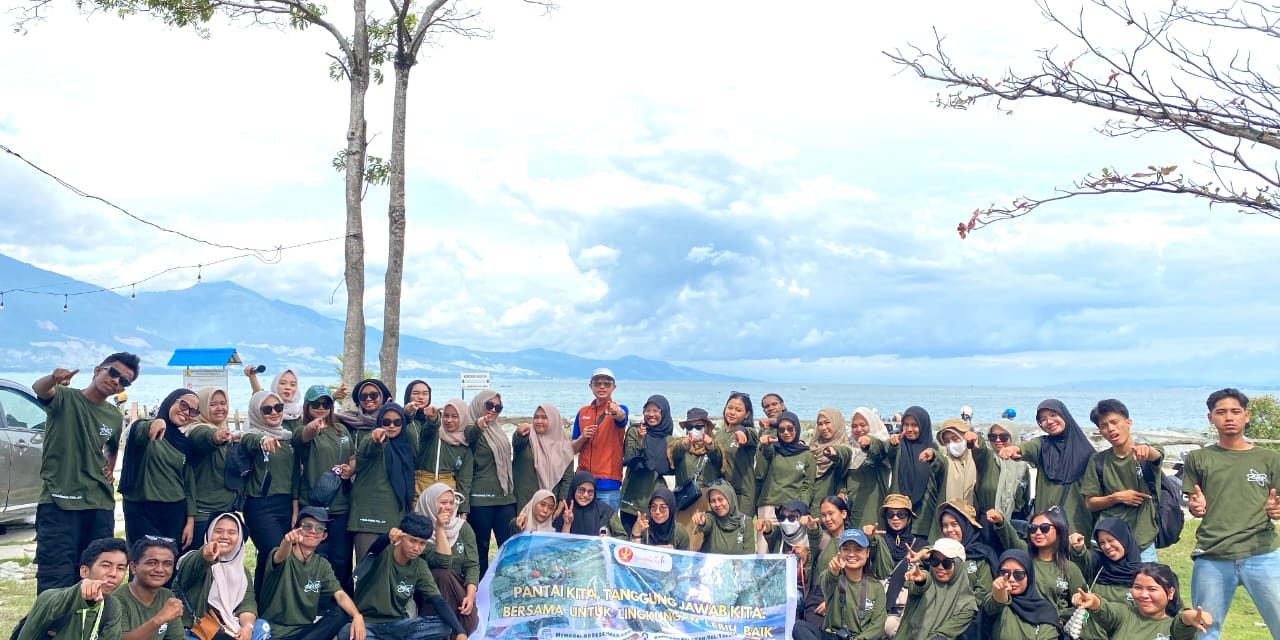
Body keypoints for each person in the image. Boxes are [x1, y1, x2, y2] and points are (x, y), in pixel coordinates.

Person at [31, 353, 138, 591]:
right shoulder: (65, 397)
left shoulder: (113, 415)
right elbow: (39, 389)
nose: (116, 381)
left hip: (99, 503)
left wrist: (109, 468)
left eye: (124, 381)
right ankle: (54, 618)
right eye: (113, 373)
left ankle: (90, 616)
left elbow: (112, 447)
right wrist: (53, 378)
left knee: (96, 576)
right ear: (98, 370)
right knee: (55, 576)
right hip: (60, 501)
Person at [1183, 387, 1280, 640]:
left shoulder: (1269, 459)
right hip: (1212, 555)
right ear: (1210, 418)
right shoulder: (1198, 458)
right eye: (1221, 412)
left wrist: (1276, 510)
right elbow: (1194, 501)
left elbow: (1277, 502)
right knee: (1206, 630)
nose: (1229, 417)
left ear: (1246, 416)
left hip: (1262, 553)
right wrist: (1195, 507)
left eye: (1235, 411)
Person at [344, 514, 468, 640]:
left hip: (399, 625)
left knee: (445, 626)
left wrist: (460, 632)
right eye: (412, 541)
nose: (416, 548)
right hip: (368, 624)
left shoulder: (420, 565)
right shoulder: (383, 552)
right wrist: (387, 537)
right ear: (401, 537)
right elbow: (374, 550)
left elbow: (437, 600)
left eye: (422, 543)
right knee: (347, 632)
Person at [257, 507, 366, 640]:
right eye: (307, 526)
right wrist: (287, 541)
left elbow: (340, 594)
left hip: (305, 633)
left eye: (319, 528)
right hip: (275, 632)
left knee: (341, 613)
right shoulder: (282, 555)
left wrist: (357, 615)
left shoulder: (322, 564)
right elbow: (280, 556)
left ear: (324, 536)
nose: (313, 531)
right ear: (296, 530)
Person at [1081, 398, 1162, 562]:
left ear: (1128, 422)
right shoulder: (1098, 461)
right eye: (1104, 426)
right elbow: (1090, 503)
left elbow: (1157, 456)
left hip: (1141, 539)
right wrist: (1116, 497)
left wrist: (1146, 450)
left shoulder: (1146, 453)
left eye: (1114, 422)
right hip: (1108, 542)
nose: (1111, 428)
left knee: (1146, 578)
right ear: (1100, 431)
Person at [998, 400, 1095, 535]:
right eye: (1042, 419)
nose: (1049, 421)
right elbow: (1027, 448)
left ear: (1064, 415)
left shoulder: (1088, 453)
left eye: (1053, 415)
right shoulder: (1043, 445)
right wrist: (1014, 449)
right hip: (1044, 526)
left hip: (1076, 526)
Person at [118, 388, 198, 551]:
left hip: (174, 510)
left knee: (169, 557)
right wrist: (155, 424)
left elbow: (188, 484)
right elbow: (140, 431)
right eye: (183, 405)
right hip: (141, 508)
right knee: (143, 557)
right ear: (170, 401)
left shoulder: (184, 443)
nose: (186, 412)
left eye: (193, 411)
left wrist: (190, 521)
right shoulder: (149, 430)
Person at [295, 385, 356, 590]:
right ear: (307, 406)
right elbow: (304, 435)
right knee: (313, 556)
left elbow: (353, 456)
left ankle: (341, 601)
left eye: (326, 403)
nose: (321, 407)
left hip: (341, 504)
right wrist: (313, 427)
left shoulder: (341, 429)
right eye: (316, 404)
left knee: (342, 560)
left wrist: (351, 469)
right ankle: (311, 599)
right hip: (315, 506)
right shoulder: (302, 429)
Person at [240, 389, 301, 590]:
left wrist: (295, 507)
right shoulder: (252, 435)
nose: (274, 412)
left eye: (278, 407)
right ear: (256, 413)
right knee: (276, 554)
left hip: (286, 504)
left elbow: (294, 474)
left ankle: (261, 600)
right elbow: (249, 441)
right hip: (260, 506)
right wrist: (262, 441)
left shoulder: (287, 436)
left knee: (268, 559)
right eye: (266, 409)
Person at [174, 511, 269, 640]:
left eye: (232, 532)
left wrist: (247, 627)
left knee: (262, 626)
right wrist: (206, 555)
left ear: (240, 538)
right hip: (196, 631)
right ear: (209, 534)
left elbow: (247, 604)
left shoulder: (242, 571)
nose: (224, 536)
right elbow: (194, 564)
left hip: (226, 629)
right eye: (218, 531)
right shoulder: (192, 559)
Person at [16, 537, 128, 640]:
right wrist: (83, 588)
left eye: (120, 568)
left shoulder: (112, 606)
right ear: (84, 571)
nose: (113, 574)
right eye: (106, 565)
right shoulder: (49, 599)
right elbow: (67, 599)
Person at [1070, 563, 1212, 640]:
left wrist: (1189, 616)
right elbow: (1104, 608)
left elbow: (1183, 623)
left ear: (1170, 593)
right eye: (1138, 587)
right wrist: (1093, 600)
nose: (1144, 595)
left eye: (1152, 589)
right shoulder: (1124, 614)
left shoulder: (1172, 627)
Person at [989, 507, 1084, 620]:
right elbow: (1011, 538)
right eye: (1033, 528)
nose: (1038, 533)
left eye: (1044, 528)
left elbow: (1085, 606)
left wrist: (1061, 616)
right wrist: (1000, 521)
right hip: (1020, 621)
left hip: (1054, 625)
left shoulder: (1070, 568)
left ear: (1059, 530)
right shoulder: (1024, 557)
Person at [348, 403, 417, 559]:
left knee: (390, 568)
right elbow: (368, 449)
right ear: (379, 422)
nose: (391, 426)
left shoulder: (405, 447)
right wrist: (375, 438)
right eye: (386, 422)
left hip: (395, 519)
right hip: (369, 519)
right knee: (367, 568)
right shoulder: (372, 441)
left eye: (397, 422)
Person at [792, 529, 887, 640]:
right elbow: (826, 580)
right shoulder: (833, 578)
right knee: (799, 627)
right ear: (839, 552)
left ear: (867, 553)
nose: (851, 554)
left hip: (860, 638)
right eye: (846, 549)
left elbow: (877, 627)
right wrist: (833, 572)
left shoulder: (876, 587)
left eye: (858, 549)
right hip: (834, 636)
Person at [415, 483, 480, 635]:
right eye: (443, 502)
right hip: (428, 591)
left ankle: (449, 629)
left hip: (458, 587)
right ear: (430, 503)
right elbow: (442, 561)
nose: (449, 507)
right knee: (442, 574)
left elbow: (472, 565)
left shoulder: (463, 528)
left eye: (451, 503)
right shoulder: (419, 529)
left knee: (469, 622)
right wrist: (439, 528)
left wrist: (470, 596)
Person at [464, 390, 516, 577]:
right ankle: (479, 589)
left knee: (508, 547)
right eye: (489, 405)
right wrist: (479, 427)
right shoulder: (470, 428)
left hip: (505, 497)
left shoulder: (497, 430)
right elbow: (469, 438)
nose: (493, 410)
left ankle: (505, 586)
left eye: (498, 407)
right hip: (481, 499)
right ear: (479, 405)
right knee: (480, 548)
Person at [1067, 517, 1143, 640]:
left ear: (1124, 539)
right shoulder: (1098, 565)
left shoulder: (1143, 575)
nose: (1107, 546)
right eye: (1102, 543)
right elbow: (1084, 558)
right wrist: (1078, 548)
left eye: (1111, 540)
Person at [184, 387, 241, 551]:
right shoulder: (195, 429)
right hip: (202, 516)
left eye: (223, 403)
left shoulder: (229, 434)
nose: (220, 408)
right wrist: (216, 437)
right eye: (213, 404)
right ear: (201, 407)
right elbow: (203, 437)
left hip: (226, 514)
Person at [862, 494, 922, 635]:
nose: (895, 518)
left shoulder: (920, 544)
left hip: (907, 610)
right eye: (890, 514)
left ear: (909, 517)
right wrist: (868, 539)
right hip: (878, 607)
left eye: (901, 514)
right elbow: (867, 552)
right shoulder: (878, 539)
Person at [571, 368, 630, 511]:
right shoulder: (583, 412)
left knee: (607, 524)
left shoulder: (619, 408)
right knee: (581, 523)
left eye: (607, 383)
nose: (602, 387)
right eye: (597, 383)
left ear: (613, 387)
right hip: (583, 481)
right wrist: (582, 437)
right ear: (590, 386)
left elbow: (621, 417)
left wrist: (616, 411)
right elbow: (572, 448)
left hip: (608, 483)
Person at [756, 411, 815, 552]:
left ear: (797, 429)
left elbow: (808, 486)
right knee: (764, 551)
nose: (786, 433)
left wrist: (802, 508)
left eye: (790, 429)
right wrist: (764, 446)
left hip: (793, 510)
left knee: (792, 553)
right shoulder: (772, 449)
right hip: (769, 506)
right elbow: (760, 472)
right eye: (781, 430)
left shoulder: (807, 455)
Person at [924, 419, 992, 539]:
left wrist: (976, 438)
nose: (951, 444)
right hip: (949, 528)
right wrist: (933, 455)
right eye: (947, 441)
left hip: (976, 524)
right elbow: (938, 462)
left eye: (955, 438)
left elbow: (981, 451)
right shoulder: (946, 462)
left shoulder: (978, 460)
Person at [897, 537, 977, 640]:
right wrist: (921, 580)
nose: (940, 567)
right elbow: (920, 585)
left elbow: (945, 633)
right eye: (935, 561)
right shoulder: (924, 580)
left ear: (958, 565)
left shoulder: (967, 604)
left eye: (946, 563)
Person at [668, 408, 725, 549]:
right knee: (683, 540)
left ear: (707, 427)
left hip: (707, 502)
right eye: (689, 427)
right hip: (685, 500)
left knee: (704, 541)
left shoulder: (716, 445)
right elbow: (674, 454)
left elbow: (719, 459)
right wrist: (683, 445)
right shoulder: (679, 444)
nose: (694, 430)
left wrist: (710, 446)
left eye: (699, 427)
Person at [619, 395, 675, 533]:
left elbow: (672, 467)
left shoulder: (669, 440)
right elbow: (630, 457)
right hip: (632, 497)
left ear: (664, 413)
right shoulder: (635, 431)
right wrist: (640, 440)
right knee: (630, 537)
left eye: (656, 411)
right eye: (647, 410)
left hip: (655, 499)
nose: (651, 414)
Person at [983, 550, 1064, 639]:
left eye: (1018, 574)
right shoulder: (997, 604)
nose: (1011, 579)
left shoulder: (1045, 610)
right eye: (1004, 573)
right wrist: (999, 592)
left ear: (1029, 576)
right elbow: (995, 603)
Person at [512, 403, 574, 520]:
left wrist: (560, 505)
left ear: (554, 420)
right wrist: (518, 432)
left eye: (544, 418)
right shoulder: (526, 437)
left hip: (548, 505)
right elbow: (516, 442)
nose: (539, 421)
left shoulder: (564, 447)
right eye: (536, 417)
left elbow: (567, 478)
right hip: (522, 502)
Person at [887, 406, 942, 537]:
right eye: (906, 425)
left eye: (914, 425)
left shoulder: (933, 448)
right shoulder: (898, 446)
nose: (909, 429)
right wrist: (892, 444)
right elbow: (882, 449)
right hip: (898, 513)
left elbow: (941, 468)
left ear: (924, 426)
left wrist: (933, 456)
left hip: (925, 515)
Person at [117, 536, 183, 640]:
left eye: (167, 564)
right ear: (133, 567)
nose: (160, 569)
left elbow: (176, 637)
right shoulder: (117, 599)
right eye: (152, 563)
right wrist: (159, 619)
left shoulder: (167, 596)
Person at [801, 496, 852, 626]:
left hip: (847, 594)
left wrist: (832, 601)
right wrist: (812, 526)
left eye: (831, 513)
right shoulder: (822, 539)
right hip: (818, 596)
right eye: (823, 515)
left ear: (843, 513)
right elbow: (814, 534)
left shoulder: (855, 541)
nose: (827, 519)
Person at [419, 399, 473, 505]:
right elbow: (430, 428)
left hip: (448, 496)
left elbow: (464, 481)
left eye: (455, 416)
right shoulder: (433, 435)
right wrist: (433, 418)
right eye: (446, 416)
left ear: (463, 418)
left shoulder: (465, 447)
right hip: (423, 489)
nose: (449, 420)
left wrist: (463, 508)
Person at [844, 407, 891, 528]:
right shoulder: (849, 446)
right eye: (854, 426)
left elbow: (880, 449)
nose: (858, 429)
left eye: (863, 425)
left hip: (873, 508)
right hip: (851, 507)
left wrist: (869, 443)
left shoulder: (882, 443)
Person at [715, 391, 759, 515]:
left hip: (742, 494)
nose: (732, 412)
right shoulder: (719, 434)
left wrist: (741, 432)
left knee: (741, 526)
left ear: (747, 414)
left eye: (738, 410)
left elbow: (747, 433)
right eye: (730, 408)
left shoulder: (751, 432)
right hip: (722, 492)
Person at [692, 480, 760, 554]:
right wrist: (702, 521)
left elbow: (749, 555)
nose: (717, 504)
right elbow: (706, 521)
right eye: (713, 501)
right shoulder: (711, 518)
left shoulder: (745, 522)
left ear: (730, 498)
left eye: (720, 499)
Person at [808, 408, 852, 518]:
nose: (824, 428)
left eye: (827, 423)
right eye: (820, 424)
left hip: (830, 513)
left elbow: (843, 454)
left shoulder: (846, 448)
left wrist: (834, 452)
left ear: (837, 423)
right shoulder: (813, 447)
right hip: (809, 507)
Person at [554, 471, 627, 537]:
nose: (585, 495)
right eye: (581, 490)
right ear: (573, 489)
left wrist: (607, 540)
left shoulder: (605, 511)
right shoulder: (565, 512)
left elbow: (623, 536)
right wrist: (567, 524)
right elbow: (559, 543)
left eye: (590, 491)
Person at [986, 420, 1031, 524]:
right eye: (993, 437)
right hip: (988, 519)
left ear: (1013, 436)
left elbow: (1026, 496)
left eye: (1003, 437)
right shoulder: (986, 460)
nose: (998, 440)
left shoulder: (1022, 465)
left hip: (1016, 519)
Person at [401, 380, 440, 497]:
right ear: (408, 395)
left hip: (429, 476)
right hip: (407, 474)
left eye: (425, 393)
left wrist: (433, 418)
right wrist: (407, 412)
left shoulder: (436, 418)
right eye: (416, 393)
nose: (421, 397)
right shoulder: (400, 416)